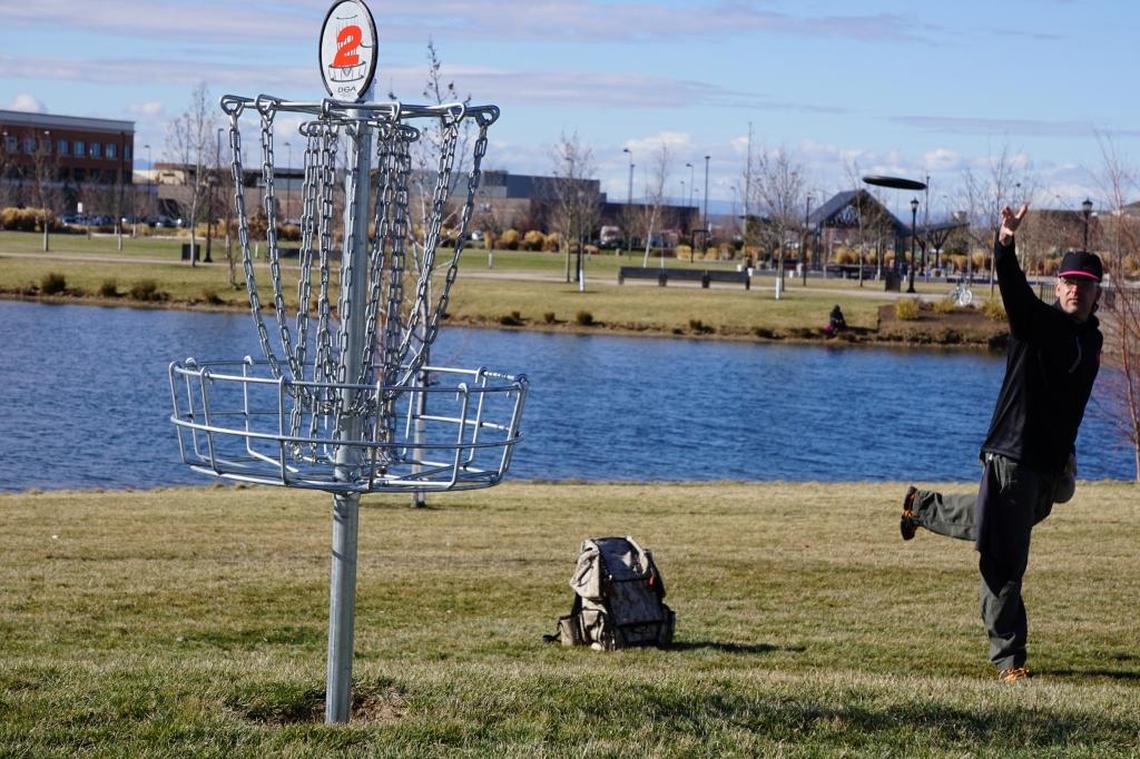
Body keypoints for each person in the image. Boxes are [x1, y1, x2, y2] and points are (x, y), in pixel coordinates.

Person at [898, 204, 1103, 684]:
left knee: (998, 525)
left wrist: (1068, 455)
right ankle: (1009, 658)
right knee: (1006, 558)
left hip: (1048, 465)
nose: (1075, 288)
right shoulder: (1036, 323)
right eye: (1068, 281)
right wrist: (1005, 242)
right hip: (1013, 455)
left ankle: (920, 506)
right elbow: (1012, 289)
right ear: (1057, 288)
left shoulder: (1090, 341)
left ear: (1098, 292)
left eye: (1085, 283)